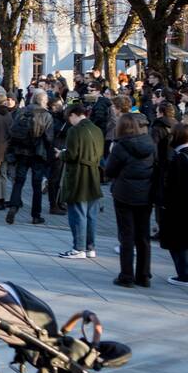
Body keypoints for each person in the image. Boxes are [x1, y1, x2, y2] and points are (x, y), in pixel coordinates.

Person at [104, 113, 157, 287]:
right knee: (143, 236)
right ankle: (144, 275)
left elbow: (110, 170)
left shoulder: (121, 147)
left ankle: (126, 275)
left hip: (124, 194)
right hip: (145, 194)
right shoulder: (150, 144)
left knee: (127, 236)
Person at [56, 104, 104, 259]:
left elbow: (72, 155)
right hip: (94, 175)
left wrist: (61, 155)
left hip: (78, 176)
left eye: (69, 117)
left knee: (77, 214)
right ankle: (90, 248)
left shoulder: (74, 131)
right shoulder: (97, 130)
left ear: (74, 115)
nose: (69, 121)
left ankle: (79, 248)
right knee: (91, 215)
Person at [160, 123, 188, 286]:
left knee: (179, 241)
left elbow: (175, 186)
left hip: (180, 206)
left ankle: (184, 274)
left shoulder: (180, 158)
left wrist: (166, 203)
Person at [6, 91, 53, 225]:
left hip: (21, 151)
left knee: (19, 181)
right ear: (43, 101)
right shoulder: (46, 115)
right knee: (36, 185)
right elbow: (49, 138)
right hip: (38, 153)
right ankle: (35, 215)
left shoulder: (22, 111)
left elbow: (12, 131)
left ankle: (13, 207)